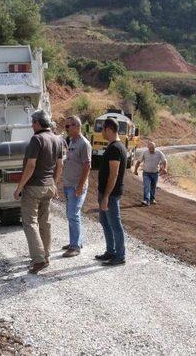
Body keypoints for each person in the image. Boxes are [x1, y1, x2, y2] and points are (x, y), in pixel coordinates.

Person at [14, 110, 63, 274]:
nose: (31, 125)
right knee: (45, 222)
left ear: (37, 123)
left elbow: (31, 165)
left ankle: (38, 260)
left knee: (30, 223)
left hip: (34, 187)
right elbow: (60, 165)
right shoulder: (57, 139)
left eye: (32, 122)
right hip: (49, 186)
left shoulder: (36, 139)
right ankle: (45, 256)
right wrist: (54, 185)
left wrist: (20, 187)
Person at [96, 118, 128, 266]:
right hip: (106, 193)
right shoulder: (115, 146)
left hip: (111, 194)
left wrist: (106, 196)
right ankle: (111, 251)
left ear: (109, 129)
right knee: (105, 221)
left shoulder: (116, 148)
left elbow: (113, 174)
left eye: (103, 129)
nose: (102, 132)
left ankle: (120, 256)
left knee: (115, 224)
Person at [61, 116, 91, 258]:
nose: (65, 129)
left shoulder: (84, 144)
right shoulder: (71, 141)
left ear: (76, 126)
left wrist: (80, 186)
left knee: (73, 215)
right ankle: (76, 241)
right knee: (71, 214)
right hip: (68, 185)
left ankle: (75, 247)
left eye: (68, 126)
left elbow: (87, 166)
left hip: (76, 186)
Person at [134, 141, 167, 206]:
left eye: (152, 148)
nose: (151, 150)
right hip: (146, 173)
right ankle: (146, 200)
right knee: (146, 186)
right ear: (148, 148)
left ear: (155, 147)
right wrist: (135, 170)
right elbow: (138, 162)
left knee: (153, 187)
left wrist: (165, 168)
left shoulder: (159, 153)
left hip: (155, 173)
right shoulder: (144, 152)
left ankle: (152, 199)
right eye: (150, 148)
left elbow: (164, 160)